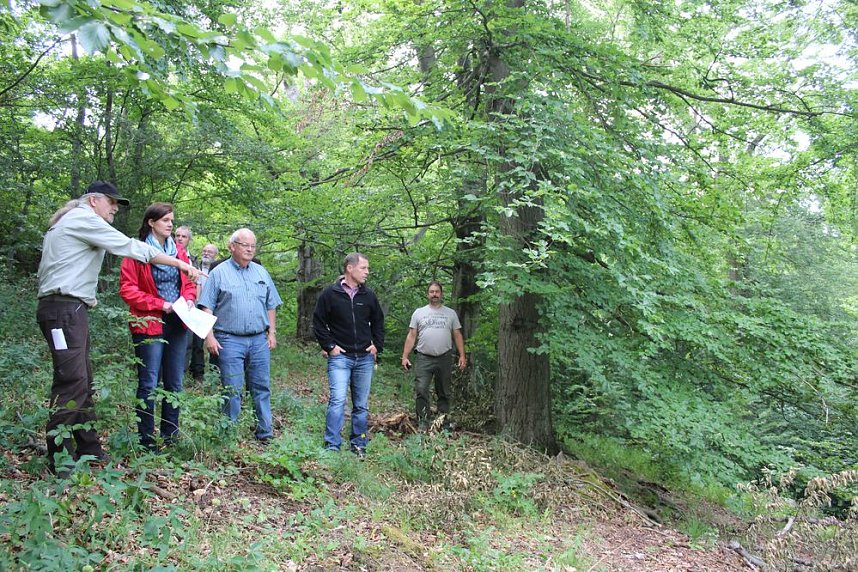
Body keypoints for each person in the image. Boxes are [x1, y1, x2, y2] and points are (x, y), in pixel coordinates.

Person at [36, 181, 200, 474]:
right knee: (71, 382)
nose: (114, 208)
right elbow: (131, 248)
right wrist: (179, 263)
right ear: (94, 200)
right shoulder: (83, 219)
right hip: (63, 310)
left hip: (70, 309)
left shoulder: (74, 220)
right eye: (112, 202)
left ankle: (89, 449)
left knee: (82, 380)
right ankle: (60, 458)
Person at [119, 203, 197, 451]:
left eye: (172, 220)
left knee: (175, 381)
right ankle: (146, 440)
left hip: (178, 323)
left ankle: (171, 435)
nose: (170, 224)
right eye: (165, 220)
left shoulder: (180, 252)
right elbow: (127, 289)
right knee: (149, 381)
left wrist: (189, 299)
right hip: (149, 322)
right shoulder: (137, 251)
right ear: (151, 222)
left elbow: (189, 283)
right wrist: (160, 304)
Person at [198, 229, 282, 443]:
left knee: (261, 387)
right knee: (232, 388)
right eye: (245, 245)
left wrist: (271, 332)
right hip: (228, 339)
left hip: (258, 340)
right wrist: (209, 337)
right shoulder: (219, 272)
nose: (250, 249)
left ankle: (265, 434)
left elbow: (271, 304)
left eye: (253, 245)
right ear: (232, 246)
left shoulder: (261, 272)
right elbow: (206, 306)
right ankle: (229, 435)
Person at [313, 253, 385, 456]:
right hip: (340, 357)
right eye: (364, 268)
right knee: (337, 401)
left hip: (364, 358)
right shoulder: (330, 294)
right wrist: (329, 346)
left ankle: (359, 445)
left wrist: (377, 346)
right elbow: (318, 322)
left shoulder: (368, 296)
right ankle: (332, 446)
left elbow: (379, 322)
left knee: (361, 405)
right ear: (350, 268)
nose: (367, 272)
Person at [400, 281, 467, 431]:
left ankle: (443, 423)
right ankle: (423, 422)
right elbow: (411, 335)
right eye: (432, 292)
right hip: (424, 357)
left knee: (443, 390)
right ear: (427, 294)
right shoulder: (419, 312)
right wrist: (405, 356)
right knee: (421, 389)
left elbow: (457, 334)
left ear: (441, 294)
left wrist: (462, 355)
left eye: (437, 291)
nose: (434, 294)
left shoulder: (450, 313)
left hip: (444, 357)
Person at [189, 243, 218, 380]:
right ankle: (197, 372)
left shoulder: (218, 270)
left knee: (215, 341)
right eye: (204, 251)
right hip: (198, 308)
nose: (206, 253)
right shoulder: (196, 267)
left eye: (210, 252)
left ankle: (214, 372)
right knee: (197, 342)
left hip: (215, 309)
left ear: (215, 255)